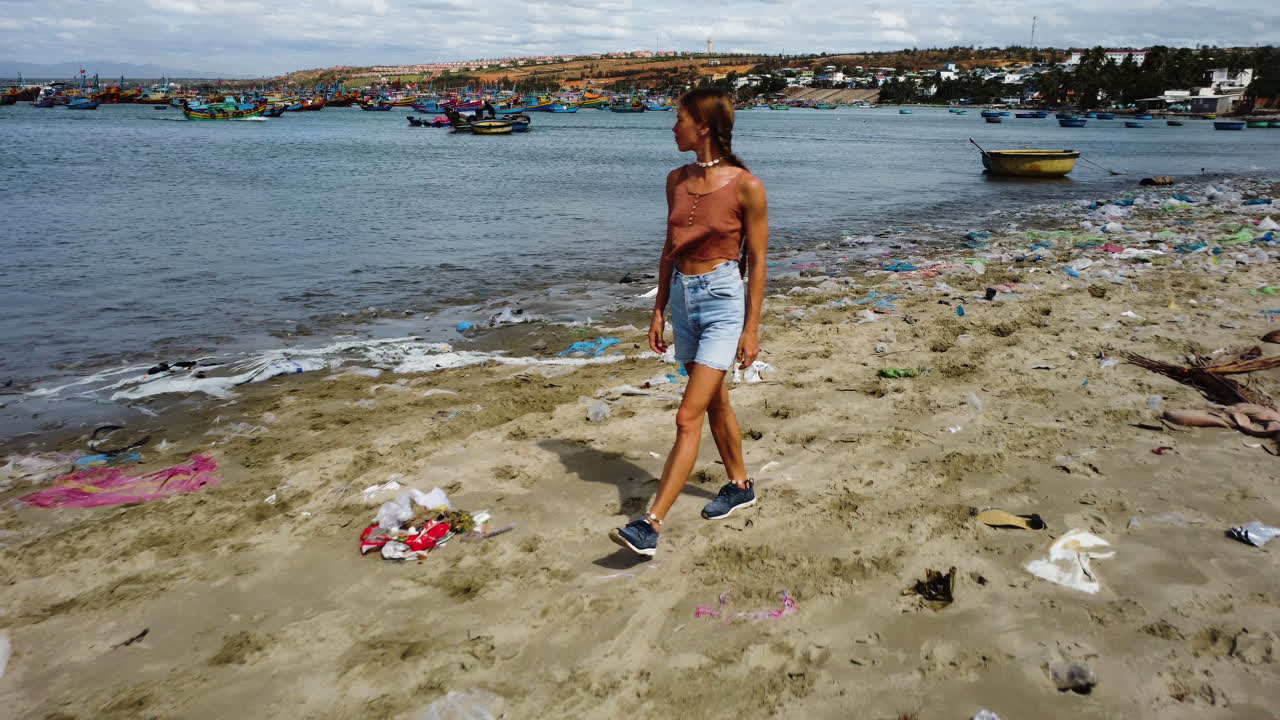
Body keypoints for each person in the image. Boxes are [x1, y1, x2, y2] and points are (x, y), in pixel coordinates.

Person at [609, 87, 768, 557]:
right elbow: (668, 248)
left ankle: (651, 524)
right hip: (683, 296)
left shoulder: (747, 186)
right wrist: (658, 309)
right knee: (715, 400)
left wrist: (752, 327)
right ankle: (739, 484)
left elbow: (757, 261)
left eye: (678, 118)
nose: (671, 126)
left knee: (687, 413)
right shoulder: (675, 179)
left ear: (702, 127)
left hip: (722, 300)